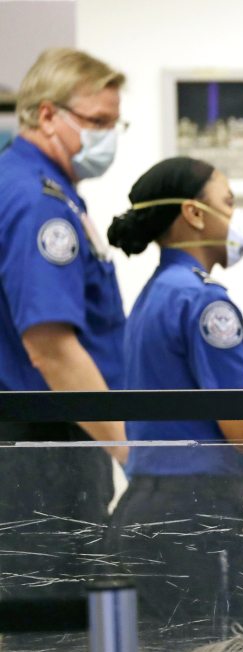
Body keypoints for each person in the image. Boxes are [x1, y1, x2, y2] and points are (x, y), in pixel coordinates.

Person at [102, 157, 243, 652]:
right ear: (195, 215)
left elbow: (204, 440)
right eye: (228, 204)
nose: (233, 220)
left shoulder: (154, 298)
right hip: (195, 526)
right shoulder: (204, 305)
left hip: (146, 516)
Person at [0, 47, 128, 612]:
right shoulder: (39, 202)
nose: (108, 136)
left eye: (114, 123)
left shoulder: (38, 184)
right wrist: (132, 451)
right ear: (47, 115)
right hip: (43, 454)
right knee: (53, 627)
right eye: (97, 123)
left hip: (49, 445)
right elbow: (52, 349)